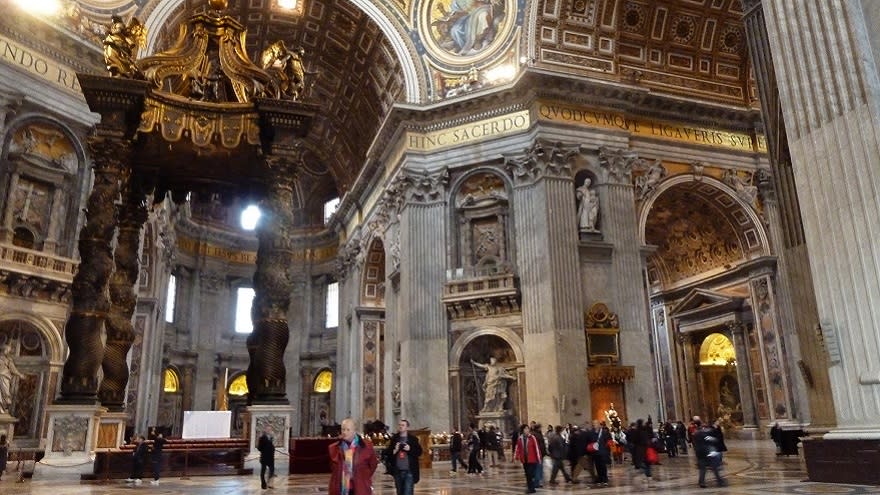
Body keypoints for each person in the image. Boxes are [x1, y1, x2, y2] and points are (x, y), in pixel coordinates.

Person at [328, 418, 378, 495]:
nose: (344, 432)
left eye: (348, 430)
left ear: (354, 431)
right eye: (343, 429)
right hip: (341, 489)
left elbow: (373, 465)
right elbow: (333, 468)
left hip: (360, 487)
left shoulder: (366, 446)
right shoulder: (333, 448)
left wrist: (363, 477)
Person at [383, 419, 422, 495]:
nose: (401, 427)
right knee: (399, 492)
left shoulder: (413, 439)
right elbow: (388, 454)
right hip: (397, 471)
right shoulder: (394, 438)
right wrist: (395, 450)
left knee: (408, 492)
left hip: (409, 471)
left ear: (407, 427)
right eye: (399, 425)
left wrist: (410, 449)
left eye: (403, 425)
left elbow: (419, 452)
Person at [693, 419, 727, 488]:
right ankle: (720, 481)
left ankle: (701, 482)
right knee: (714, 468)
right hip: (708, 452)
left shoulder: (696, 434)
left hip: (699, 453)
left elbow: (696, 444)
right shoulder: (705, 434)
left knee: (703, 469)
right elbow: (713, 439)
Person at [514, 424, 541, 494]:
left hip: (532, 459)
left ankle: (531, 488)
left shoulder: (532, 438)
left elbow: (536, 448)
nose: (527, 430)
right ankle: (531, 488)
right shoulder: (520, 438)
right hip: (524, 459)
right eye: (525, 429)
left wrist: (538, 458)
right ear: (522, 430)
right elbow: (518, 448)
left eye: (528, 429)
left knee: (530, 474)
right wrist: (516, 457)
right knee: (527, 474)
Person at [0, 344, 24, 415]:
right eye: (8, 350)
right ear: (5, 350)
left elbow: (13, 369)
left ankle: (3, 408)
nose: (8, 352)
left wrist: (20, 375)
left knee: (6, 393)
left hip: (5, 378)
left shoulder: (8, 360)